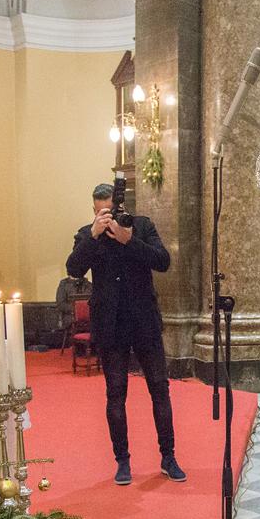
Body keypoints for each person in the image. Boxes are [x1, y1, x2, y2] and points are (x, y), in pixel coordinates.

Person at [65, 182, 184, 486]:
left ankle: (168, 457)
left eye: (110, 211)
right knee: (116, 393)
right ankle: (123, 461)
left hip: (144, 321)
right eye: (100, 212)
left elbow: (163, 261)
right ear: (94, 211)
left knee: (159, 387)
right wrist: (93, 236)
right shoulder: (86, 234)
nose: (106, 217)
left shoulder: (141, 227)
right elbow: (74, 269)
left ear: (122, 208)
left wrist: (129, 240)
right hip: (110, 325)